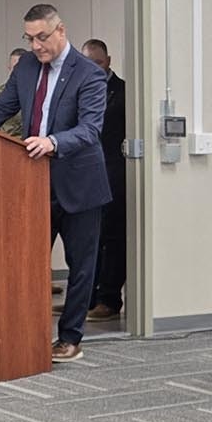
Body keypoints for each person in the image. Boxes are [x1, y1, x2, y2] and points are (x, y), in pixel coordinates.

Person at [0, 4, 109, 363]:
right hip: (33, 184)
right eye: (29, 38)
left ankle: (70, 338)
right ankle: (25, 333)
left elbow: (91, 130)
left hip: (79, 185)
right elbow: (3, 108)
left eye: (41, 37)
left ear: (60, 30)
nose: (35, 46)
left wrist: (53, 142)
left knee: (80, 266)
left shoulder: (89, 74)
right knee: (25, 263)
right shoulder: (28, 67)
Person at [81, 38, 126, 322]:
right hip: (85, 174)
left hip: (115, 174)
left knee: (113, 238)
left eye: (98, 63)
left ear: (108, 61)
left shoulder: (124, 93)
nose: (93, 68)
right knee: (88, 239)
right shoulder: (79, 91)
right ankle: (89, 297)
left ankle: (109, 298)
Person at [0, 48, 29, 139]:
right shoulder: (0, 93)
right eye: (14, 68)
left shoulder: (39, 92)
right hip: (8, 142)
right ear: (9, 68)